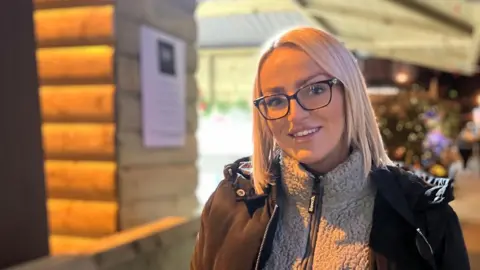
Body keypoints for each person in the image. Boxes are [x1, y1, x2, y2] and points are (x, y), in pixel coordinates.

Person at [191, 27, 469, 270]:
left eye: (314, 90)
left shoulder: (425, 216)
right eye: (275, 100)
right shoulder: (229, 202)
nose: (294, 115)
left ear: (351, 93)